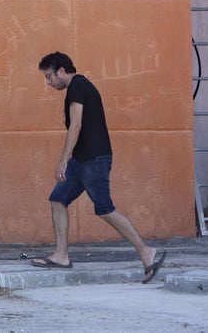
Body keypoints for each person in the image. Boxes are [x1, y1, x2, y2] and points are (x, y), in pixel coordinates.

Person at [32, 51, 166, 284]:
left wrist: (63, 159)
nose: (49, 82)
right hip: (82, 160)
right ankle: (62, 256)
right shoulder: (80, 86)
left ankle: (146, 252)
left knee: (105, 209)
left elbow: (76, 125)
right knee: (58, 199)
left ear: (62, 71)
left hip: (93, 159)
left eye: (49, 76)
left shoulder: (77, 87)